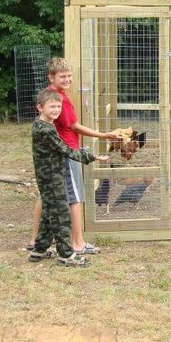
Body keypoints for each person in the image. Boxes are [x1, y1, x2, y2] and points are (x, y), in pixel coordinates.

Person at [27, 57, 120, 255]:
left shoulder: (49, 96)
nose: (68, 79)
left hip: (54, 154)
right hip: (67, 151)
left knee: (46, 196)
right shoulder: (59, 99)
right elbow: (73, 126)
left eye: (70, 76)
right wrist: (104, 135)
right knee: (74, 197)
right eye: (63, 76)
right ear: (51, 77)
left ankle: (35, 240)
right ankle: (77, 243)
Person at [29, 89, 108, 267]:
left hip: (49, 176)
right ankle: (66, 255)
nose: (57, 110)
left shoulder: (43, 125)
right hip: (52, 178)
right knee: (61, 215)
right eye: (52, 106)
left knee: (49, 213)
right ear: (40, 107)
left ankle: (39, 250)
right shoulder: (46, 130)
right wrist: (91, 157)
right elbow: (64, 150)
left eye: (59, 106)